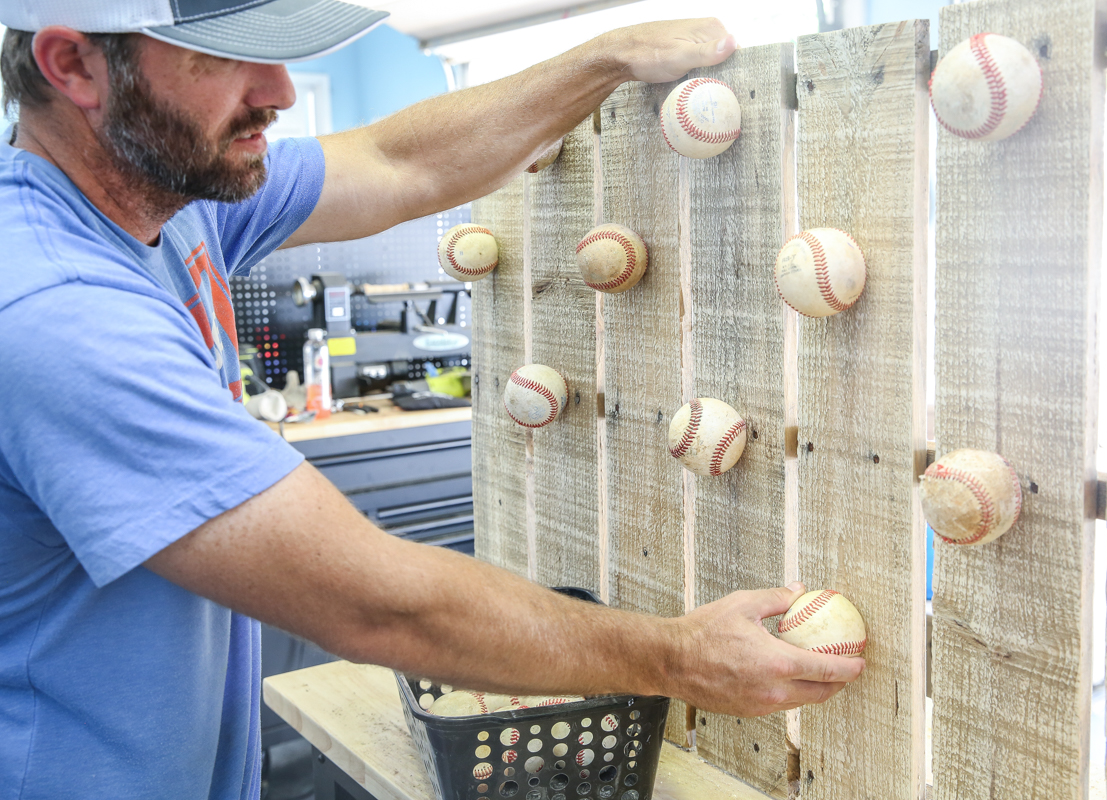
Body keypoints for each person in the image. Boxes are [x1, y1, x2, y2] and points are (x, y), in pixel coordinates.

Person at [0, 1, 865, 797]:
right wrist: (676, 656)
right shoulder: (54, 311)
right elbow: (373, 600)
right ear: (74, 64)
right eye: (226, 60)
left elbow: (398, 160)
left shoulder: (169, 203)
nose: (280, 92)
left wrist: (605, 56)